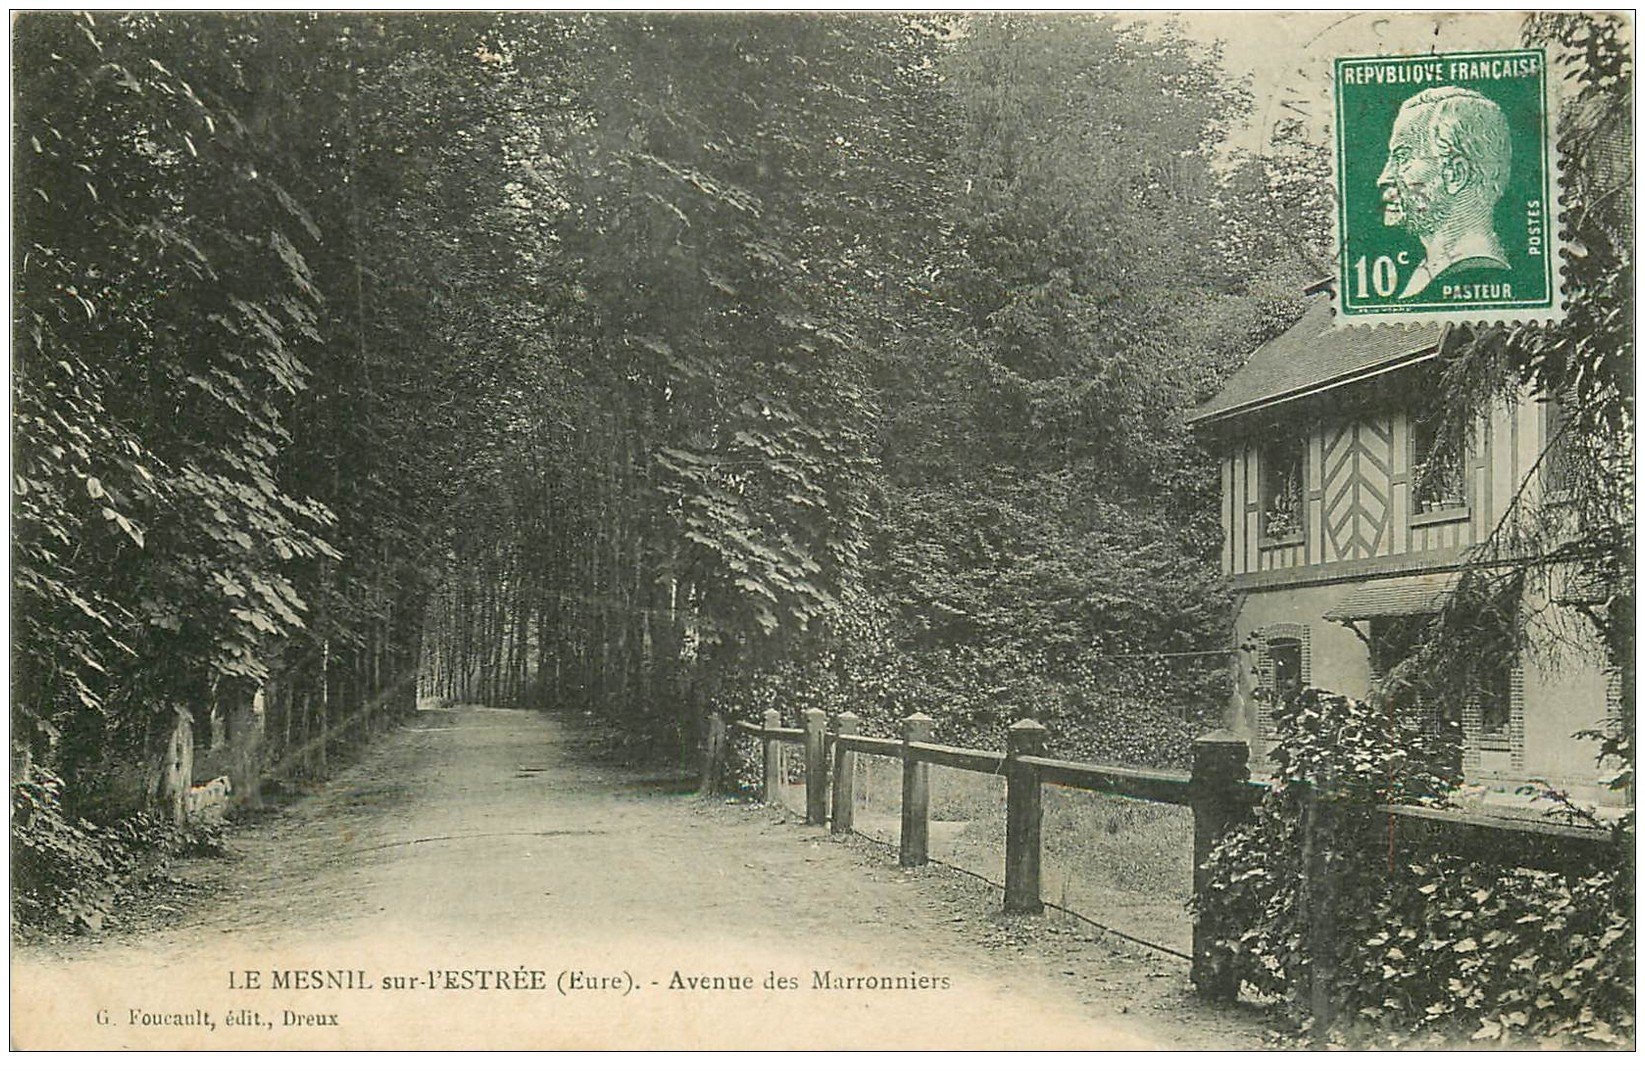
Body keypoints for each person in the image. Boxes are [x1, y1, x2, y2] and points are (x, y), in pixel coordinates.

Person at [1375, 86, 1512, 299]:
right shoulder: (1429, 272)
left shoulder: (1474, 271)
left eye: (1402, 157)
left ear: (1455, 174)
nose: (1384, 177)